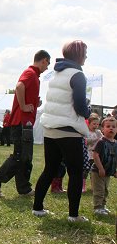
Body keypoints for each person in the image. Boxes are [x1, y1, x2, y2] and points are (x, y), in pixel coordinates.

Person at [32, 40, 90, 222]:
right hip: (69, 130)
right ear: (79, 55)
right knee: (75, 172)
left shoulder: (57, 73)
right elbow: (80, 106)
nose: (86, 56)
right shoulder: (78, 75)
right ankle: (73, 215)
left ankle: (37, 208)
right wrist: (88, 111)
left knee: (50, 169)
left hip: (50, 127)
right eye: (85, 53)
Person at [0, 50, 50, 197]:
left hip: (23, 122)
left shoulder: (34, 75)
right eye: (48, 64)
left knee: (25, 156)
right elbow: (19, 86)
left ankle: (24, 188)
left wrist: (34, 102)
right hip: (21, 122)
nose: (47, 68)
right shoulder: (31, 73)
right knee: (20, 155)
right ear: (44, 60)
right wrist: (23, 106)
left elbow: (23, 90)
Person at [90, 116, 116, 216]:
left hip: (108, 172)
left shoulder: (115, 144)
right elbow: (95, 155)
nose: (111, 128)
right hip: (98, 171)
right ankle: (97, 207)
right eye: (108, 126)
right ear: (102, 129)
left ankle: (103, 206)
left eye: (114, 127)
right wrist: (100, 168)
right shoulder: (101, 142)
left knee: (105, 190)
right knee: (99, 190)